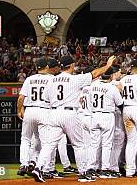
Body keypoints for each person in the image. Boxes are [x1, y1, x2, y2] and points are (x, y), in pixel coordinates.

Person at [32, 54, 115, 183]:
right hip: (70, 113)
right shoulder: (75, 79)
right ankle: (83, 173)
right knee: (79, 145)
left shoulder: (51, 80)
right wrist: (108, 65)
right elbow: (95, 73)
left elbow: (46, 100)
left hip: (54, 113)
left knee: (48, 145)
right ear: (71, 65)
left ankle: (38, 168)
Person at [88, 67, 124, 178]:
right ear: (111, 76)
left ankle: (91, 168)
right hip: (107, 115)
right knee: (107, 144)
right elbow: (120, 103)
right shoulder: (112, 88)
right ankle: (104, 169)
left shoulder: (92, 85)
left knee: (94, 144)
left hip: (94, 115)